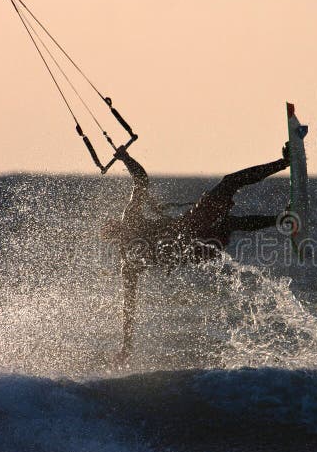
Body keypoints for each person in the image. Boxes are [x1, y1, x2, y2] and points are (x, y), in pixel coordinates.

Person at [103, 144, 291, 363]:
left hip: (197, 243)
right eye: (118, 231)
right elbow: (129, 308)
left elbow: (141, 181)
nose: (121, 228)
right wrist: (126, 346)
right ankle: (285, 172)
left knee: (228, 222)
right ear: (117, 239)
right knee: (229, 186)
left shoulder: (131, 228)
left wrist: (126, 158)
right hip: (193, 241)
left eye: (116, 225)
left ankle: (285, 219)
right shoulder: (130, 262)